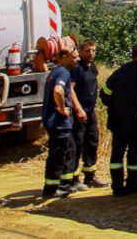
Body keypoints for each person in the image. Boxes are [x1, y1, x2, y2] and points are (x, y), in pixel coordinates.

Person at [100, 43, 137, 196]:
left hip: (119, 122)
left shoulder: (119, 73)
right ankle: (133, 184)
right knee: (135, 155)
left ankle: (117, 187)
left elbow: (104, 94)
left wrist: (114, 106)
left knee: (117, 156)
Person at [41, 47, 81, 198]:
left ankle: (63, 184)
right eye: (74, 57)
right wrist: (62, 108)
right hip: (58, 123)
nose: (77, 60)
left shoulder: (56, 71)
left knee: (69, 151)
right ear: (64, 57)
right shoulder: (63, 72)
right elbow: (58, 90)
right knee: (57, 156)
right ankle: (51, 190)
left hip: (56, 122)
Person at [71, 39, 108, 188]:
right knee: (77, 144)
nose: (91, 53)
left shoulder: (92, 67)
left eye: (93, 50)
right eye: (87, 50)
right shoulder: (76, 68)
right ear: (80, 51)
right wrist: (78, 109)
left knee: (92, 141)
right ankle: (73, 179)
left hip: (90, 112)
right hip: (79, 113)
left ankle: (90, 176)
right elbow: (70, 89)